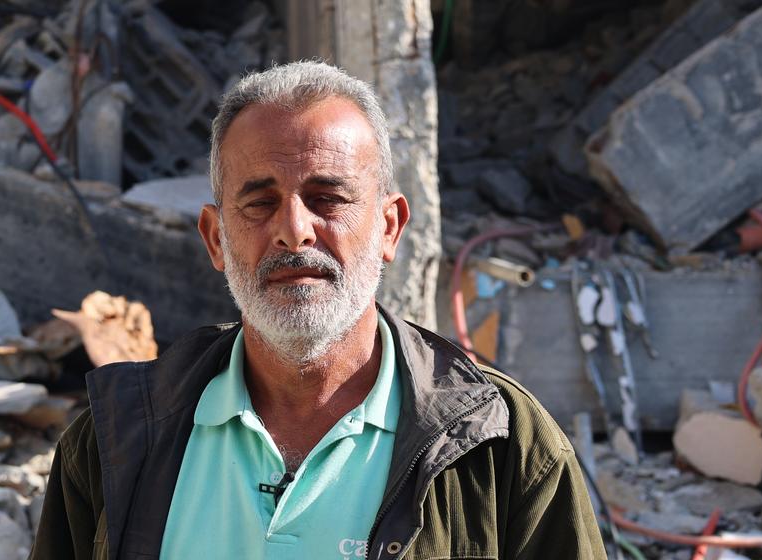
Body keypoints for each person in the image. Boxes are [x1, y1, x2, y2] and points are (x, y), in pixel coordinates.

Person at [30, 61, 606, 559]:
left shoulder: (502, 446)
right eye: (260, 202)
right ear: (215, 239)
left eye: (327, 199)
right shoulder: (117, 439)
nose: (293, 231)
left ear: (389, 227)